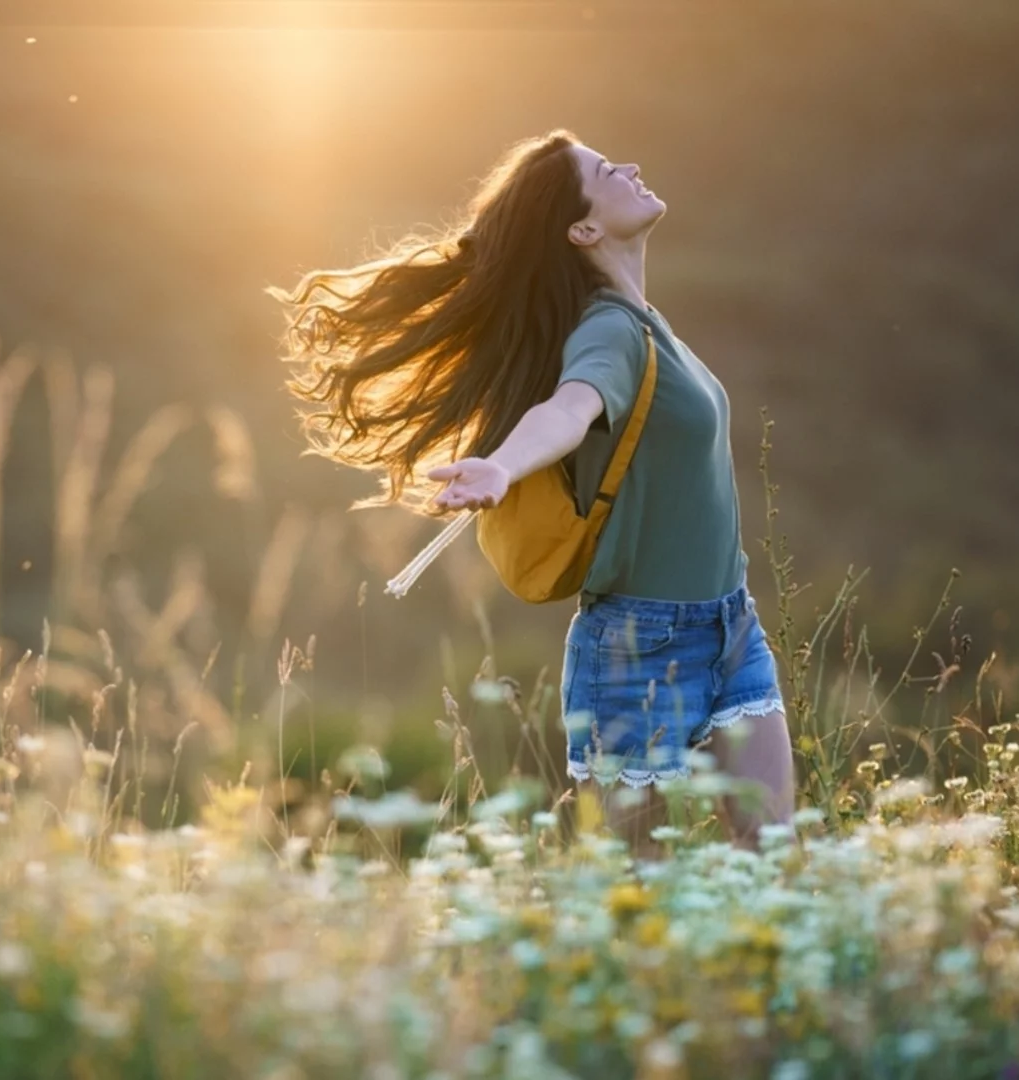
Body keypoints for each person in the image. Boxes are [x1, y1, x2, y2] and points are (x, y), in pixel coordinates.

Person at [270, 130, 795, 857]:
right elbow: (570, 408)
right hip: (639, 646)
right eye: (608, 170)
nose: (633, 166)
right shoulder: (610, 332)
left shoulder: (647, 324)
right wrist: (504, 465)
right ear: (582, 228)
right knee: (634, 888)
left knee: (773, 853)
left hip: (730, 626)